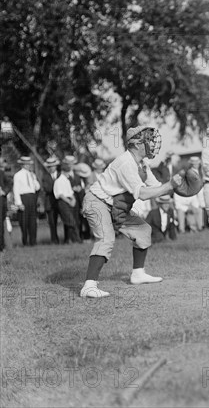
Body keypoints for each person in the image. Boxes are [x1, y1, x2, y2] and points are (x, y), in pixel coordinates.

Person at [79, 125, 183, 298]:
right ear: (136, 144)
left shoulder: (142, 164)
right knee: (106, 238)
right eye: (147, 140)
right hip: (96, 201)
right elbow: (142, 194)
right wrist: (170, 185)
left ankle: (138, 274)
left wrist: (177, 187)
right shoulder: (126, 162)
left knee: (143, 231)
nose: (151, 143)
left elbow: (156, 187)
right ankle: (89, 286)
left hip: (115, 205)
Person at [12, 156, 41, 246]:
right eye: (27, 164)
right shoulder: (18, 175)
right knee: (24, 221)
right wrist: (19, 203)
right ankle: (25, 241)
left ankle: (33, 241)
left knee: (32, 220)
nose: (29, 166)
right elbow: (16, 189)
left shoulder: (32, 174)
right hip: (23, 197)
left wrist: (34, 178)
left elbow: (37, 187)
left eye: (29, 164)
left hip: (32, 197)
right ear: (23, 165)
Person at [53, 161, 82, 244]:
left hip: (69, 200)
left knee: (72, 221)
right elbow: (60, 194)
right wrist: (69, 201)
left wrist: (73, 200)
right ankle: (77, 239)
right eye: (67, 172)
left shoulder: (67, 180)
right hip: (63, 202)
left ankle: (70, 240)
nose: (68, 174)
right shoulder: (58, 181)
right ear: (62, 171)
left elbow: (70, 192)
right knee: (70, 221)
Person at [41, 156, 61, 244]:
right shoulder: (45, 177)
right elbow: (47, 189)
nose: (51, 168)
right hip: (50, 202)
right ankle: (54, 240)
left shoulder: (61, 175)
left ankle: (68, 239)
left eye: (52, 166)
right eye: (49, 166)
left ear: (55, 166)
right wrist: (58, 189)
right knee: (52, 223)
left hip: (61, 202)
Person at [0, 157, 11, 252]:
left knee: (1, 224)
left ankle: (1, 246)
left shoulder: (2, 173)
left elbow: (9, 184)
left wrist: (4, 192)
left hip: (1, 201)